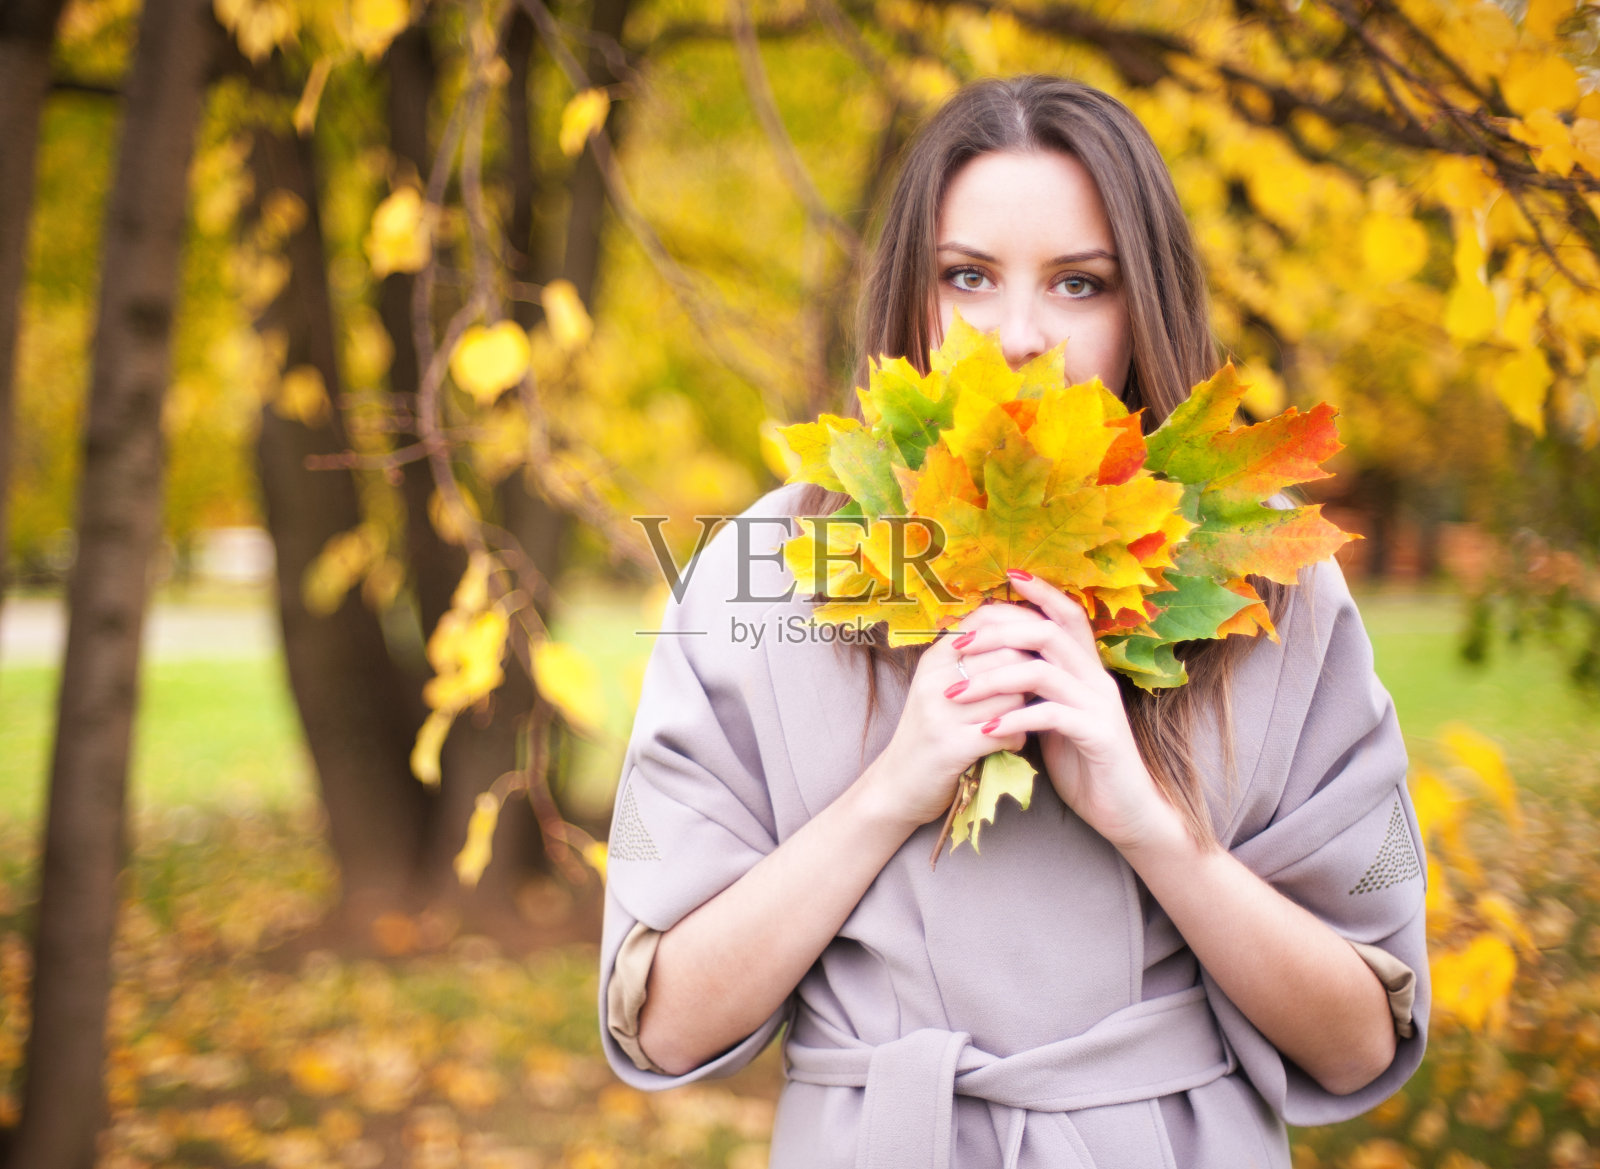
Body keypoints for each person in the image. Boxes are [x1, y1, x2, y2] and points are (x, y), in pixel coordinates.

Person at [596, 75, 1428, 1167]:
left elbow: (1364, 1039)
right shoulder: (770, 568)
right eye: (969, 277)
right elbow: (658, 1019)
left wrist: (1146, 818)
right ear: (911, 296)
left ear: (1145, 310)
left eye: (1081, 283)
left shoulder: (1262, 575)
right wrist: (891, 791)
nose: (1021, 334)